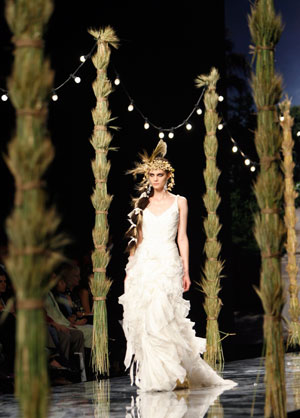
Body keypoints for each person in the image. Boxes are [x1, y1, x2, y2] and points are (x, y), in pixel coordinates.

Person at [119, 140, 237, 392]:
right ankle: (159, 376)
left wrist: (185, 269)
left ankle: (176, 372)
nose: (155, 179)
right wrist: (130, 271)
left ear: (168, 176)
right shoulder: (141, 205)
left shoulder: (180, 201)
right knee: (149, 319)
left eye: (159, 175)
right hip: (146, 263)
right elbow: (137, 242)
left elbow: (182, 237)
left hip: (169, 261)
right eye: (151, 175)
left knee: (167, 317)